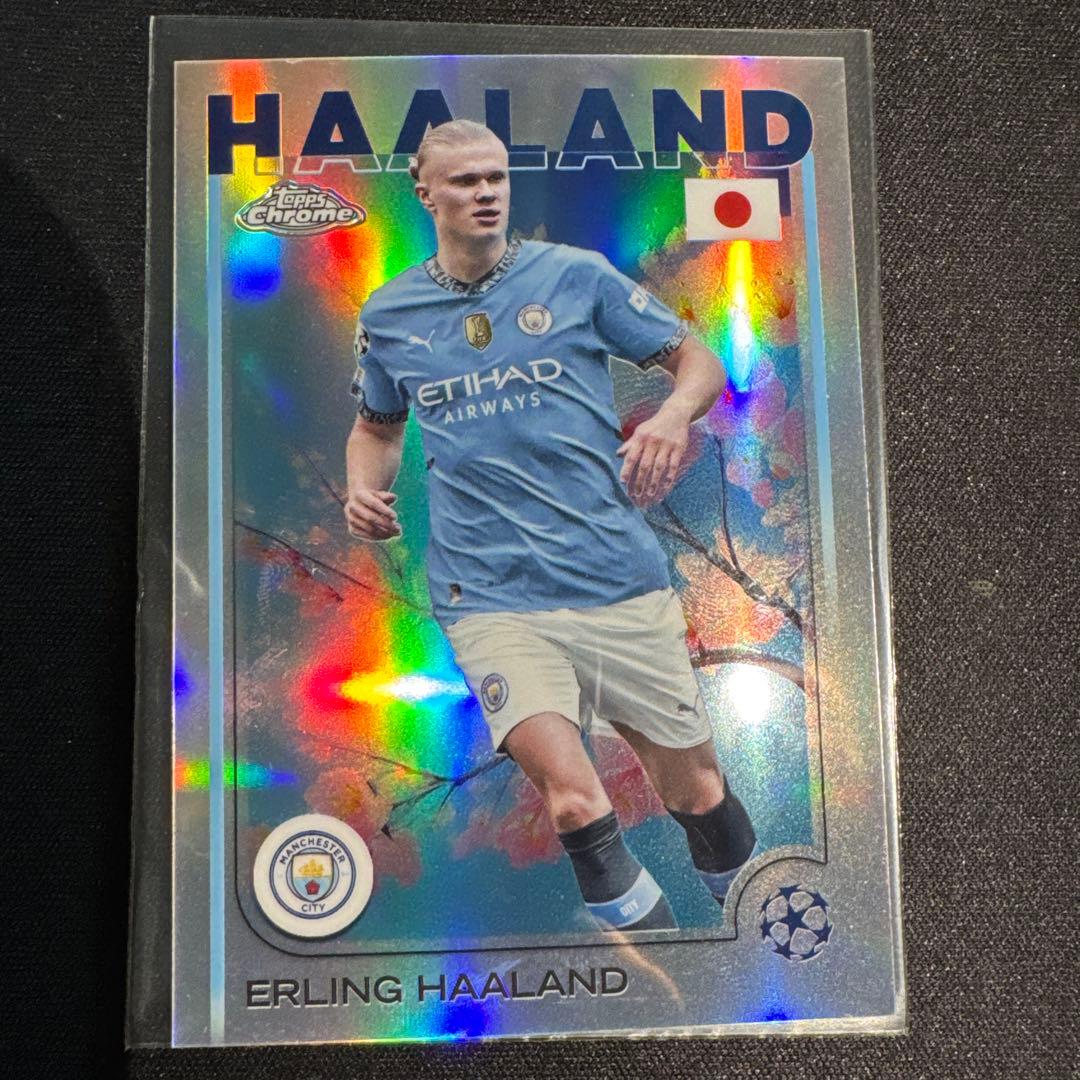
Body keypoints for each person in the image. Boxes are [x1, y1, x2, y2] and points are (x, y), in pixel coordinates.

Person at [345, 119, 758, 932]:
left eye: (496, 177)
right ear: (425, 194)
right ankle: (658, 967)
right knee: (573, 801)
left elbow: (699, 362)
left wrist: (672, 414)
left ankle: (761, 924)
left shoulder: (576, 277)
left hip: (615, 581)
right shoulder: (390, 314)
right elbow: (377, 429)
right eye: (465, 181)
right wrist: (364, 488)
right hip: (488, 596)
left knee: (696, 791)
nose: (486, 193)